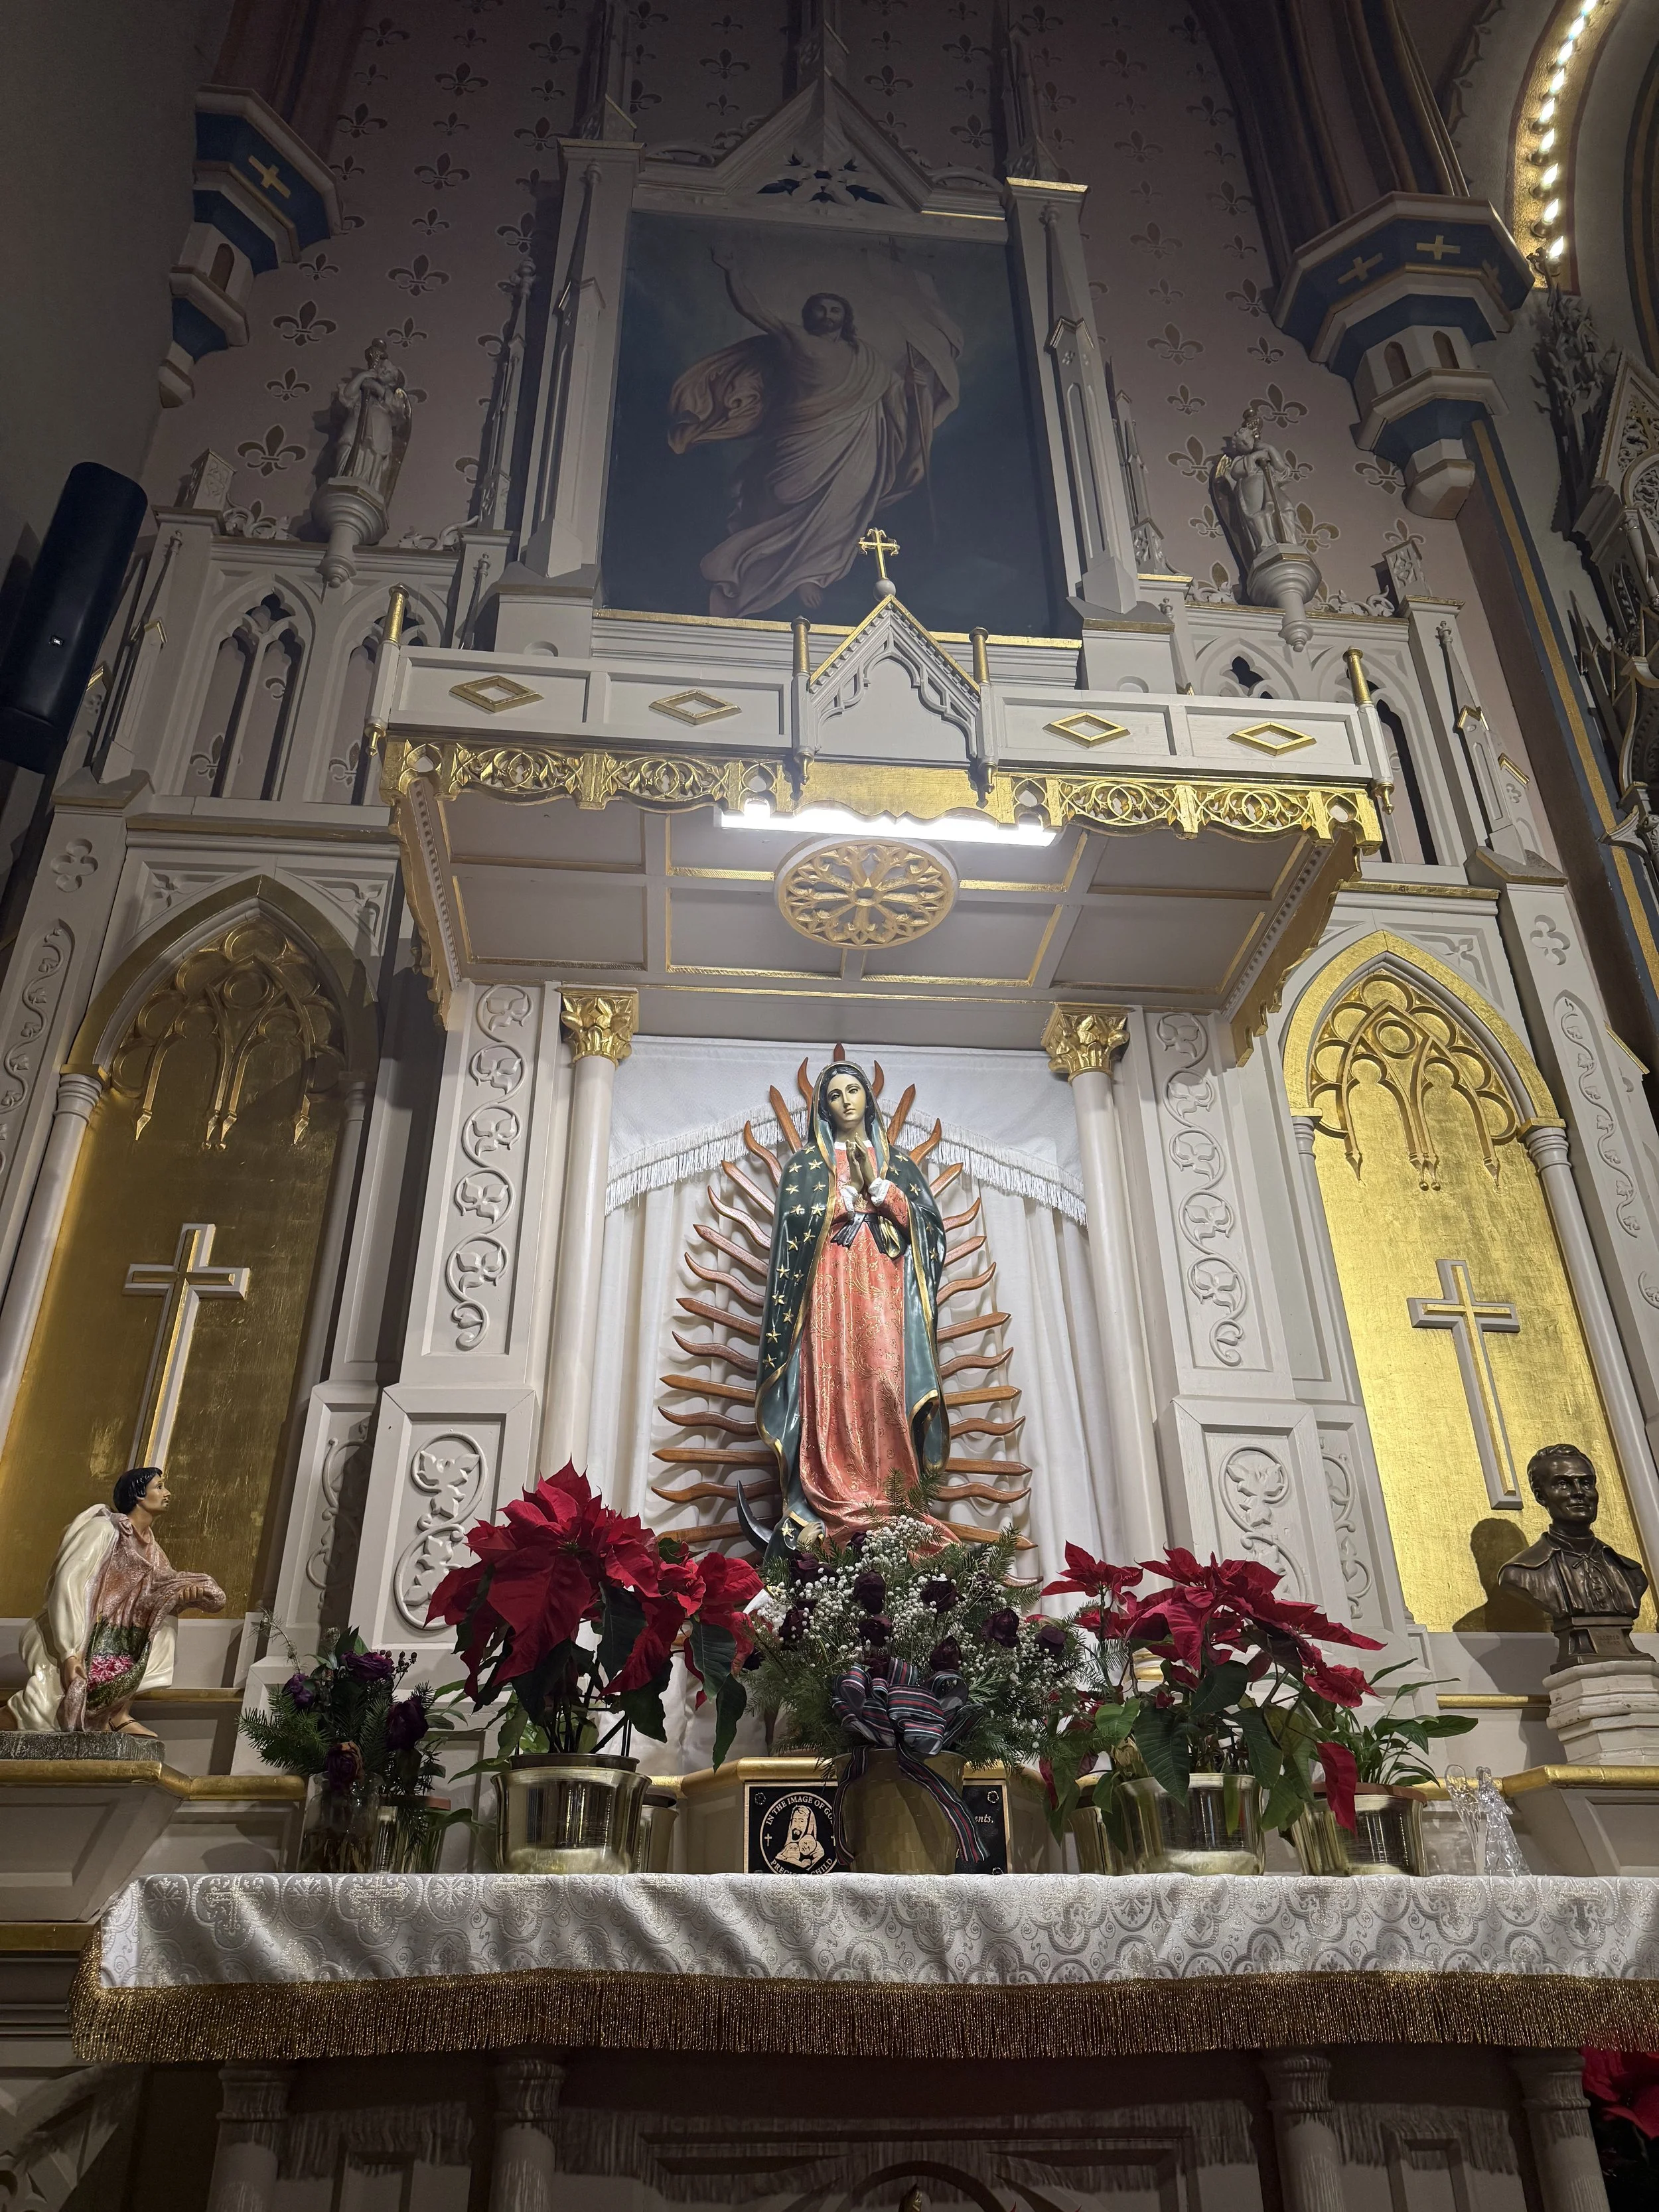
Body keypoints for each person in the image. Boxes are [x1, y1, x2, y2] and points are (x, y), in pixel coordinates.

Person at [668, 250, 959, 619]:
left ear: (845, 317)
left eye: (834, 310)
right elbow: (756, 312)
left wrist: (914, 388)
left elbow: (892, 398)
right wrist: (733, 272)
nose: (827, 315)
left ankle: (812, 574)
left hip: (858, 442)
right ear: (808, 315)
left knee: (842, 508)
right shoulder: (795, 338)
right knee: (782, 493)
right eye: (820, 309)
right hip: (801, 435)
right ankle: (756, 567)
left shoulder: (866, 358)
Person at [749, 1060, 950, 1556]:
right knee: (833, 1388)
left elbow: (931, 1233)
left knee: (883, 1384)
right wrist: (838, 1199)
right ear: (824, 1107)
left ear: (868, 1097)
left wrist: (883, 1192)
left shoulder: (899, 1164)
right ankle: (832, 1495)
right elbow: (792, 1228)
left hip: (885, 1296)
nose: (845, 1101)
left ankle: (891, 1502)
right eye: (834, 1094)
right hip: (828, 1296)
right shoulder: (805, 1168)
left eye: (853, 1089)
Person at [5, 1469, 226, 1735]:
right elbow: (69, 1585)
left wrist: (182, 1596)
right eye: (160, 1487)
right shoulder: (104, 1530)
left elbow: (157, 1589)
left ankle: (117, 1714)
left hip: (112, 1636)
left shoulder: (152, 1550)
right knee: (41, 1710)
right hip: (73, 1631)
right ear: (139, 1496)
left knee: (161, 1627)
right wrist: (69, 1652)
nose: (167, 1494)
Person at [1496, 1443, 1648, 1667]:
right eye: (1563, 1484)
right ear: (1541, 1496)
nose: (1579, 1492)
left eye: (1586, 1483)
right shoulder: (1523, 1574)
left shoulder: (1631, 1573)